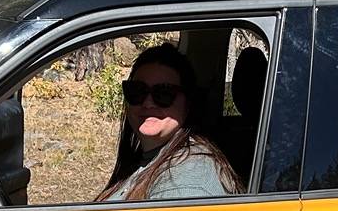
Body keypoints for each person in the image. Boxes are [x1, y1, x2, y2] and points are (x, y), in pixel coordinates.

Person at [98, 44, 241, 202]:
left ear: (188, 104)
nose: (148, 103)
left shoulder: (187, 181)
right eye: (137, 91)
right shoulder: (152, 160)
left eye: (164, 94)